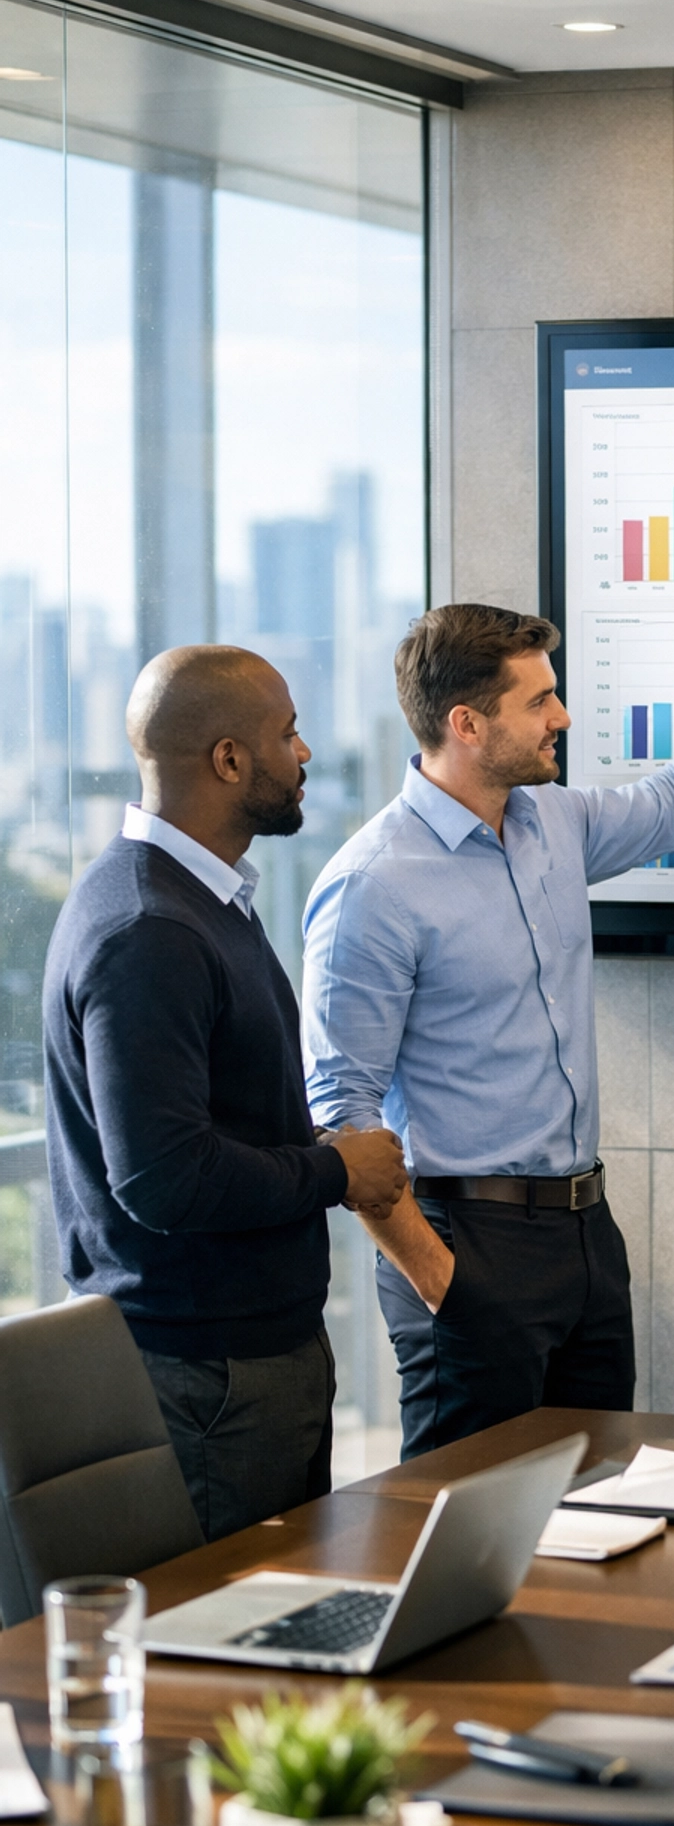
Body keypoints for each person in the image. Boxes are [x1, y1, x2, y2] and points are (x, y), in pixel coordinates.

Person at [302, 600, 674, 1458]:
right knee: (465, 1529)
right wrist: (444, 1284)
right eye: (539, 701)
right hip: (467, 1242)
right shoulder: (373, 886)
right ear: (466, 724)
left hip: (584, 1236)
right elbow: (341, 1113)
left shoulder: (554, 826)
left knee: (597, 1512)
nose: (563, 717)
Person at [42, 646, 408, 1542]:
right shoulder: (148, 929)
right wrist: (338, 1172)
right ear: (229, 760)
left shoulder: (201, 902)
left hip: (244, 1359)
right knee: (217, 1650)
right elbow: (164, 1178)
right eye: (287, 734)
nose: (306, 753)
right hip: (208, 1377)